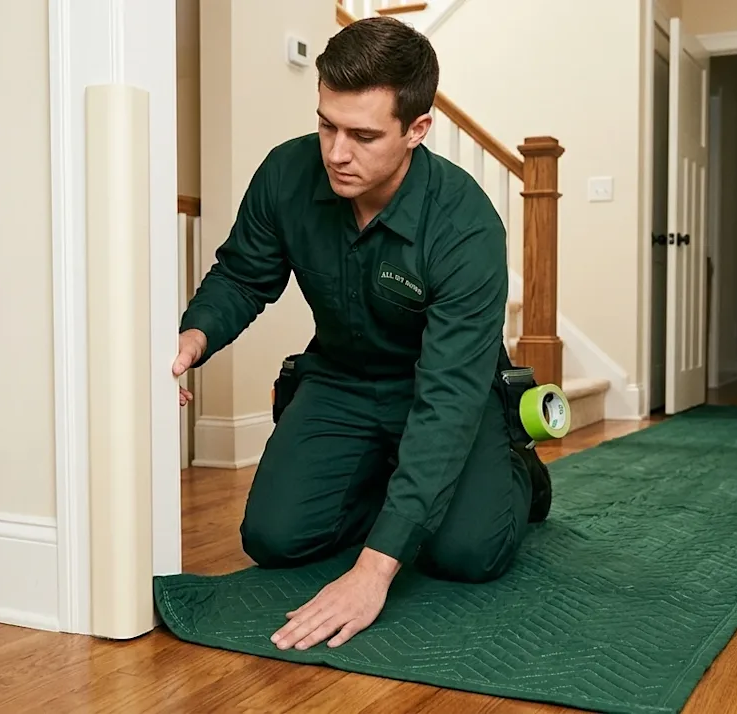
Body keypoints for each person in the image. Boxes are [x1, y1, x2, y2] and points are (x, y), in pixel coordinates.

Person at [171, 16, 552, 653]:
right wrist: (194, 336)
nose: (336, 152)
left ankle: (518, 468)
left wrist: (373, 572)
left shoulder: (466, 225)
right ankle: (387, 479)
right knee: (275, 539)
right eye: (327, 124)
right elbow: (243, 274)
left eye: (363, 134)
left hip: (442, 393)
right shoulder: (287, 174)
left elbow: (448, 400)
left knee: (467, 553)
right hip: (341, 381)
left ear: (417, 130)